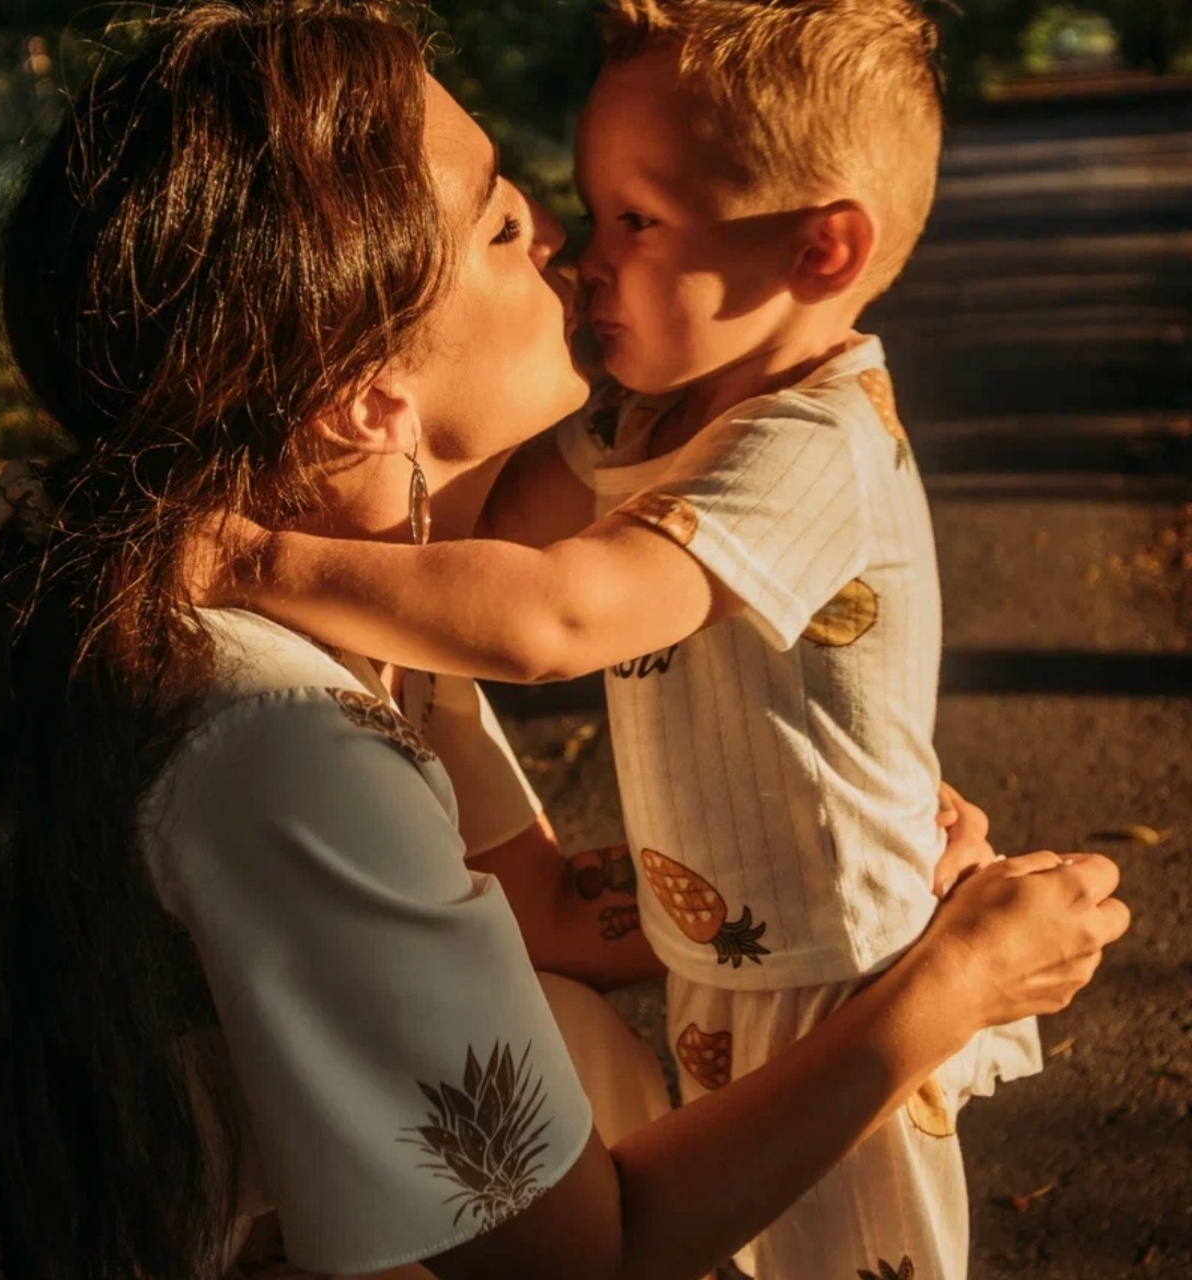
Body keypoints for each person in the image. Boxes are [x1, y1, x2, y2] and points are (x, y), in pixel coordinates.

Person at [0, 4, 1128, 1280]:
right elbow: (582, 1258)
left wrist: (847, 872)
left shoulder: (37, 527)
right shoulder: (280, 734)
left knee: (561, 1030)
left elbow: (543, 910)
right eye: (500, 224)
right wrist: (950, 982)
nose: (557, 233)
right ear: (364, 399)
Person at [206, 3, 1045, 1275]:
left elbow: (555, 614)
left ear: (821, 251)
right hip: (730, 960)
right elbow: (459, 562)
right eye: (553, 218)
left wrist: (252, 557)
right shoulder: (653, 426)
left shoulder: (807, 444)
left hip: (839, 977)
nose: (576, 253)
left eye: (632, 220)